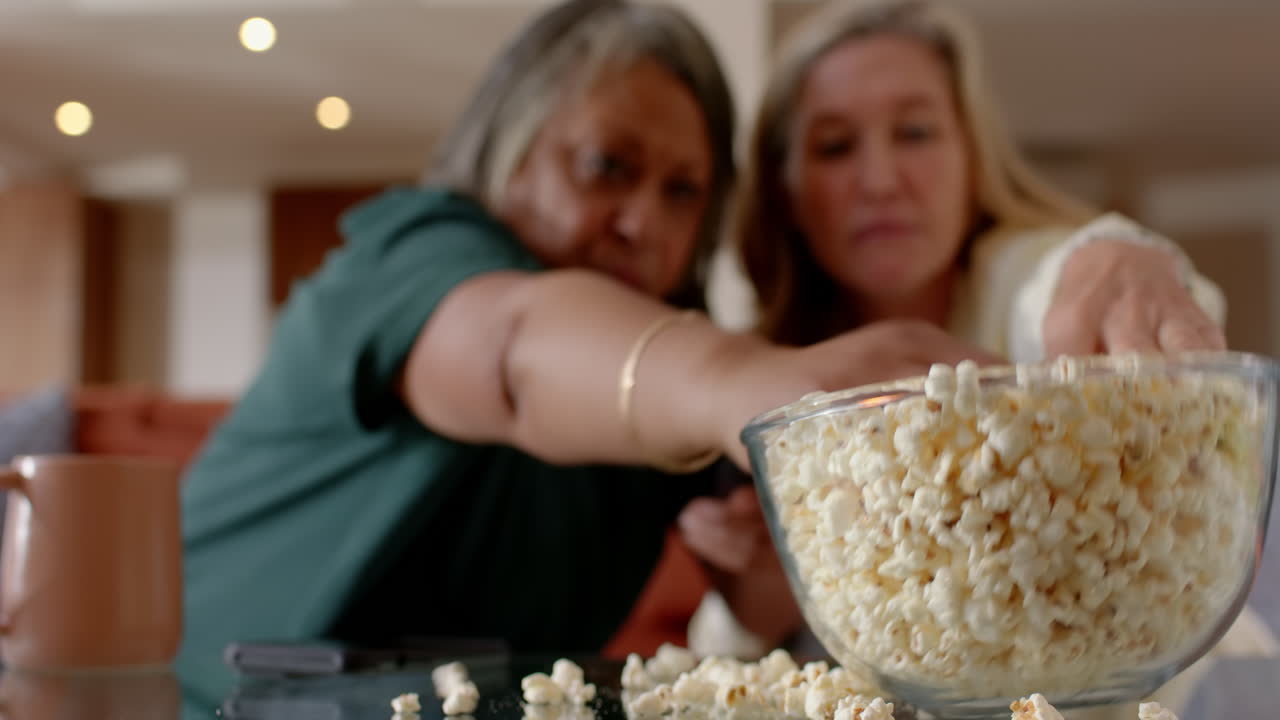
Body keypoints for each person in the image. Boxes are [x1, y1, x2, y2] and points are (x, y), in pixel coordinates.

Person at [175, 0, 999, 685]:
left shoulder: (676, 355)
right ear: (512, 154)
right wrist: (743, 382)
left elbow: (759, 603)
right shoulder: (416, 255)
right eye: (607, 166)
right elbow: (514, 348)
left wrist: (765, 548)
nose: (645, 222)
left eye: (683, 192)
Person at [687, 0, 1273, 708]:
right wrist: (754, 600)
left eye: (915, 132)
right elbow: (726, 657)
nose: (880, 180)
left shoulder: (1016, 280)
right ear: (787, 190)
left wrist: (1112, 263)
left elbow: (1060, 282)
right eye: (835, 147)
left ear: (973, 159)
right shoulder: (771, 385)